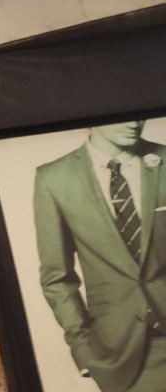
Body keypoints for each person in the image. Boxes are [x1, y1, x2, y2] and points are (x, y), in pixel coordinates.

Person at [34, 120, 166, 392]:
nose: (134, 122)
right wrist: (82, 349)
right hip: (123, 352)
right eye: (120, 114)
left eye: (138, 112)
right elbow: (57, 278)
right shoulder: (54, 178)